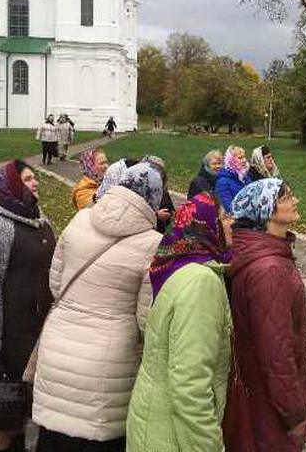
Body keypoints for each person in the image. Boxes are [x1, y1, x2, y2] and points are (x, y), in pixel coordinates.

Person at [33, 163, 164, 452]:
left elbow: (56, 283)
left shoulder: (80, 219)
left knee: (54, 433)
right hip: (109, 357)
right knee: (96, 435)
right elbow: (146, 317)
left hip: (58, 344)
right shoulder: (153, 243)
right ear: (154, 200)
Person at [126, 192, 234, 452]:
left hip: (154, 424)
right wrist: (208, 445)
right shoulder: (201, 282)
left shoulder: (179, 267)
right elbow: (189, 384)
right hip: (173, 436)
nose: (232, 222)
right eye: (224, 217)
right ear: (206, 228)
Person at [0, 160, 56, 452]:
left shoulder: (41, 221)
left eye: (35, 178)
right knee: (6, 409)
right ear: (11, 187)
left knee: (34, 404)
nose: (35, 183)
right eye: (27, 179)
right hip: (10, 339)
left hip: (41, 333)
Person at [224, 179, 306, 452]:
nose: (295, 201)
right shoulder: (269, 269)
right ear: (266, 210)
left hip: (261, 394)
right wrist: (293, 412)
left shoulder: (270, 255)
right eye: (286, 198)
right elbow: (275, 350)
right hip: (268, 402)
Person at [141, 155, 175, 234]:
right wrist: (156, 215)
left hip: (160, 232)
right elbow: (136, 214)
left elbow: (170, 207)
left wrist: (172, 213)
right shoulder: (138, 188)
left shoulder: (161, 187)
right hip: (145, 231)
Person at [215, 145, 251, 213]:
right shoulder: (223, 183)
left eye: (244, 157)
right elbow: (229, 208)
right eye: (240, 158)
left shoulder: (245, 177)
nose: (244, 160)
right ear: (230, 161)